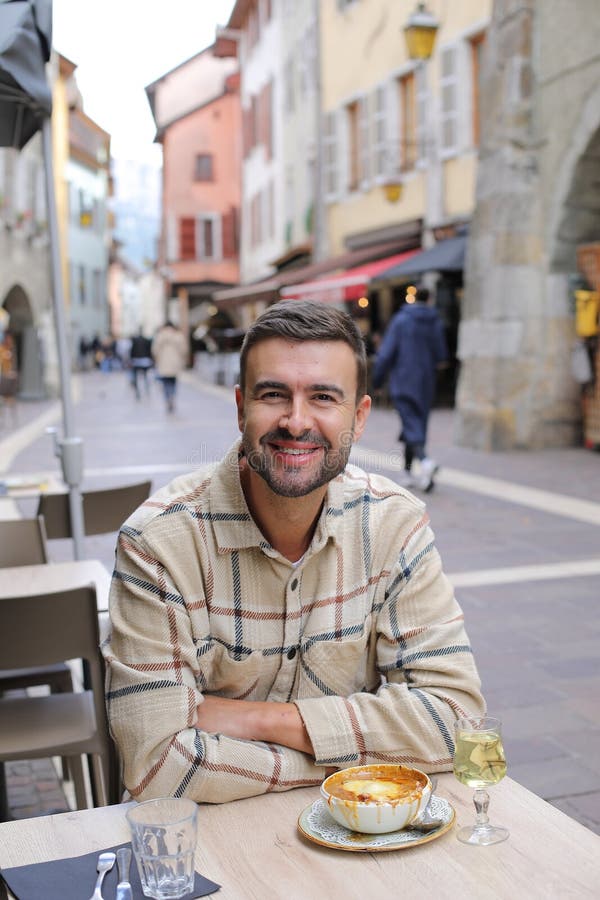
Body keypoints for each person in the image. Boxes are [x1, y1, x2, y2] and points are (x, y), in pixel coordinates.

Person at [103, 300, 483, 805]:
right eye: (274, 394)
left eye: (323, 396)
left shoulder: (396, 524)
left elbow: (456, 718)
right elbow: (156, 767)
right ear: (240, 407)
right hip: (206, 854)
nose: (296, 421)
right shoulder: (158, 544)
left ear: (359, 416)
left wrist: (260, 720)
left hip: (360, 846)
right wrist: (354, 757)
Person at [372, 288, 448, 492]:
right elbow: (442, 358)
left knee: (410, 424)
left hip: (403, 381)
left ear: (414, 298)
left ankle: (425, 462)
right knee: (415, 425)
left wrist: (377, 381)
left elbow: (386, 354)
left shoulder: (401, 320)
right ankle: (408, 472)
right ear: (430, 299)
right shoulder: (435, 321)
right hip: (426, 383)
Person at [152, 321, 188, 412]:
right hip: (175, 364)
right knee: (173, 382)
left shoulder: (160, 336)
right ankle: (172, 396)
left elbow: (155, 350)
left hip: (163, 364)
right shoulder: (178, 336)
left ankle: (167, 398)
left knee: (165, 383)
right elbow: (184, 350)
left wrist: (157, 359)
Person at [129, 329, 153, 400]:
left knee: (136, 376)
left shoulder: (135, 341)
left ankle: (138, 392)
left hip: (136, 360)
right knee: (145, 376)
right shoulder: (147, 340)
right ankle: (146, 389)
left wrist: (131, 359)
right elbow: (149, 351)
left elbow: (132, 351)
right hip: (145, 360)